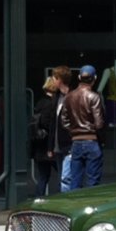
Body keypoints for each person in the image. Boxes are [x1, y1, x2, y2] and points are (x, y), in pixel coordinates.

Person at [59, 64, 105, 190]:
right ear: (94, 79)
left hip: (76, 142)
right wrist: (101, 139)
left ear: (79, 77)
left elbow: (64, 121)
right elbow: (99, 124)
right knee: (93, 183)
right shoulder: (94, 97)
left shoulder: (69, 97)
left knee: (75, 181)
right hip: (92, 141)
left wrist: (74, 131)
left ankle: (75, 202)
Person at [30, 67, 70, 197]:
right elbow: (50, 124)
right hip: (50, 145)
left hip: (41, 146)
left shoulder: (40, 103)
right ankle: (59, 197)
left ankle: (38, 199)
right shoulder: (51, 103)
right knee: (63, 175)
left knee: (44, 177)